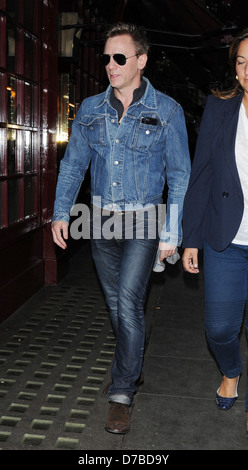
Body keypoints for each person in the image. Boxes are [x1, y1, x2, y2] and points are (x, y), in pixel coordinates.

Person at [52, 22, 191, 434]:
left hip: (144, 220)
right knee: (116, 306)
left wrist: (172, 232)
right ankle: (133, 361)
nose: (110, 66)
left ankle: (122, 392)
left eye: (119, 58)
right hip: (98, 220)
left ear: (141, 61)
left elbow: (180, 175)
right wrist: (62, 212)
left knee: (128, 302)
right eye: (106, 58)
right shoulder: (91, 110)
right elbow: (74, 164)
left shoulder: (167, 111)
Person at [182, 28, 248, 437]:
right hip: (226, 237)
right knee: (220, 329)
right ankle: (231, 370)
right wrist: (192, 236)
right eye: (242, 62)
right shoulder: (220, 108)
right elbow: (202, 173)